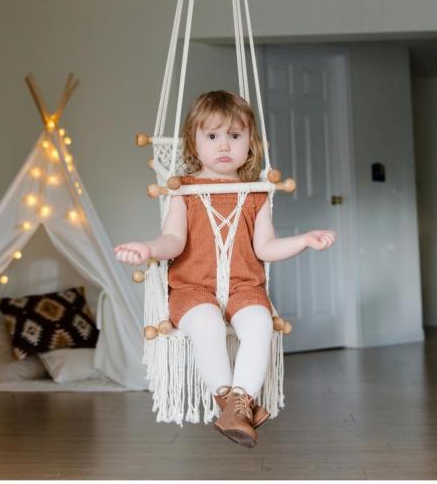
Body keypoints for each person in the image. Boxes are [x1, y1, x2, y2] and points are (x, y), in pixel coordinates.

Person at [114, 90, 335, 447]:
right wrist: (148, 249)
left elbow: (266, 248)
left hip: (244, 287)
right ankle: (235, 406)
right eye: (212, 135)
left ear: (250, 143)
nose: (224, 145)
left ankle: (238, 404)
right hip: (192, 289)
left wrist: (304, 240)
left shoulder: (256, 193)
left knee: (260, 324)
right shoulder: (183, 191)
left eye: (234, 135)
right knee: (207, 325)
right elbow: (173, 240)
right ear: (194, 143)